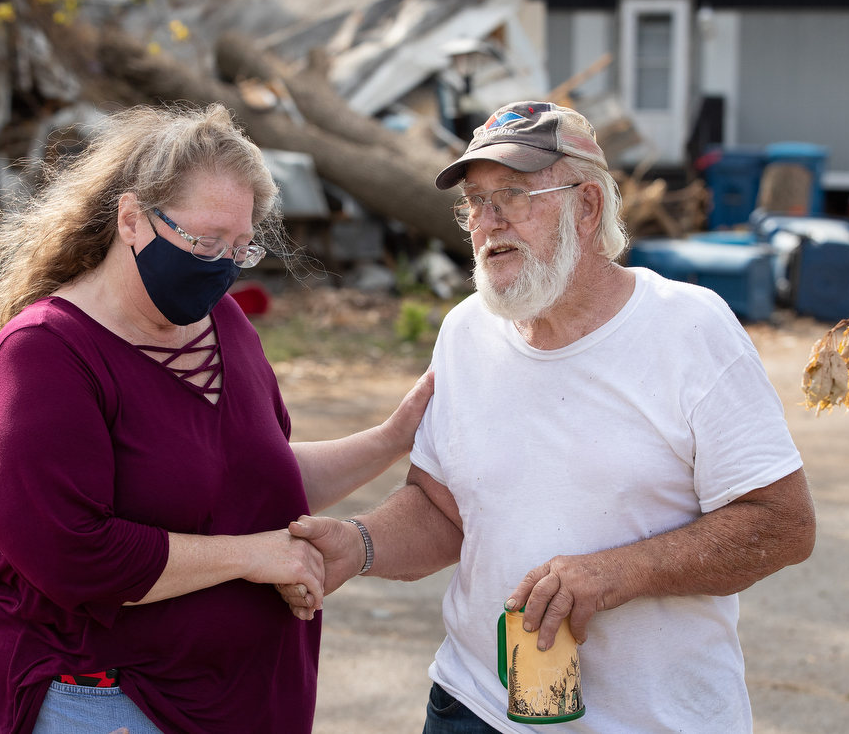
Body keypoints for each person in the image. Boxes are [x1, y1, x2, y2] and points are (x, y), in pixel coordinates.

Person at [279, 101, 817, 733]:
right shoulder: (465, 332)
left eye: (511, 195)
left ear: (587, 207)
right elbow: (444, 510)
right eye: (475, 203)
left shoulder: (688, 329)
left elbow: (783, 525)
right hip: (474, 705)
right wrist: (361, 542)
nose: (487, 222)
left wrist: (618, 573)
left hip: (652, 720)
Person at [0, 103, 432, 734]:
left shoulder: (226, 325)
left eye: (241, 246)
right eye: (202, 241)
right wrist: (253, 557)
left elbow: (261, 483)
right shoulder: (47, 351)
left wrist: (393, 437)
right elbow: (70, 553)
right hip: (91, 702)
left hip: (226, 699)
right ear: (132, 220)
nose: (221, 264)